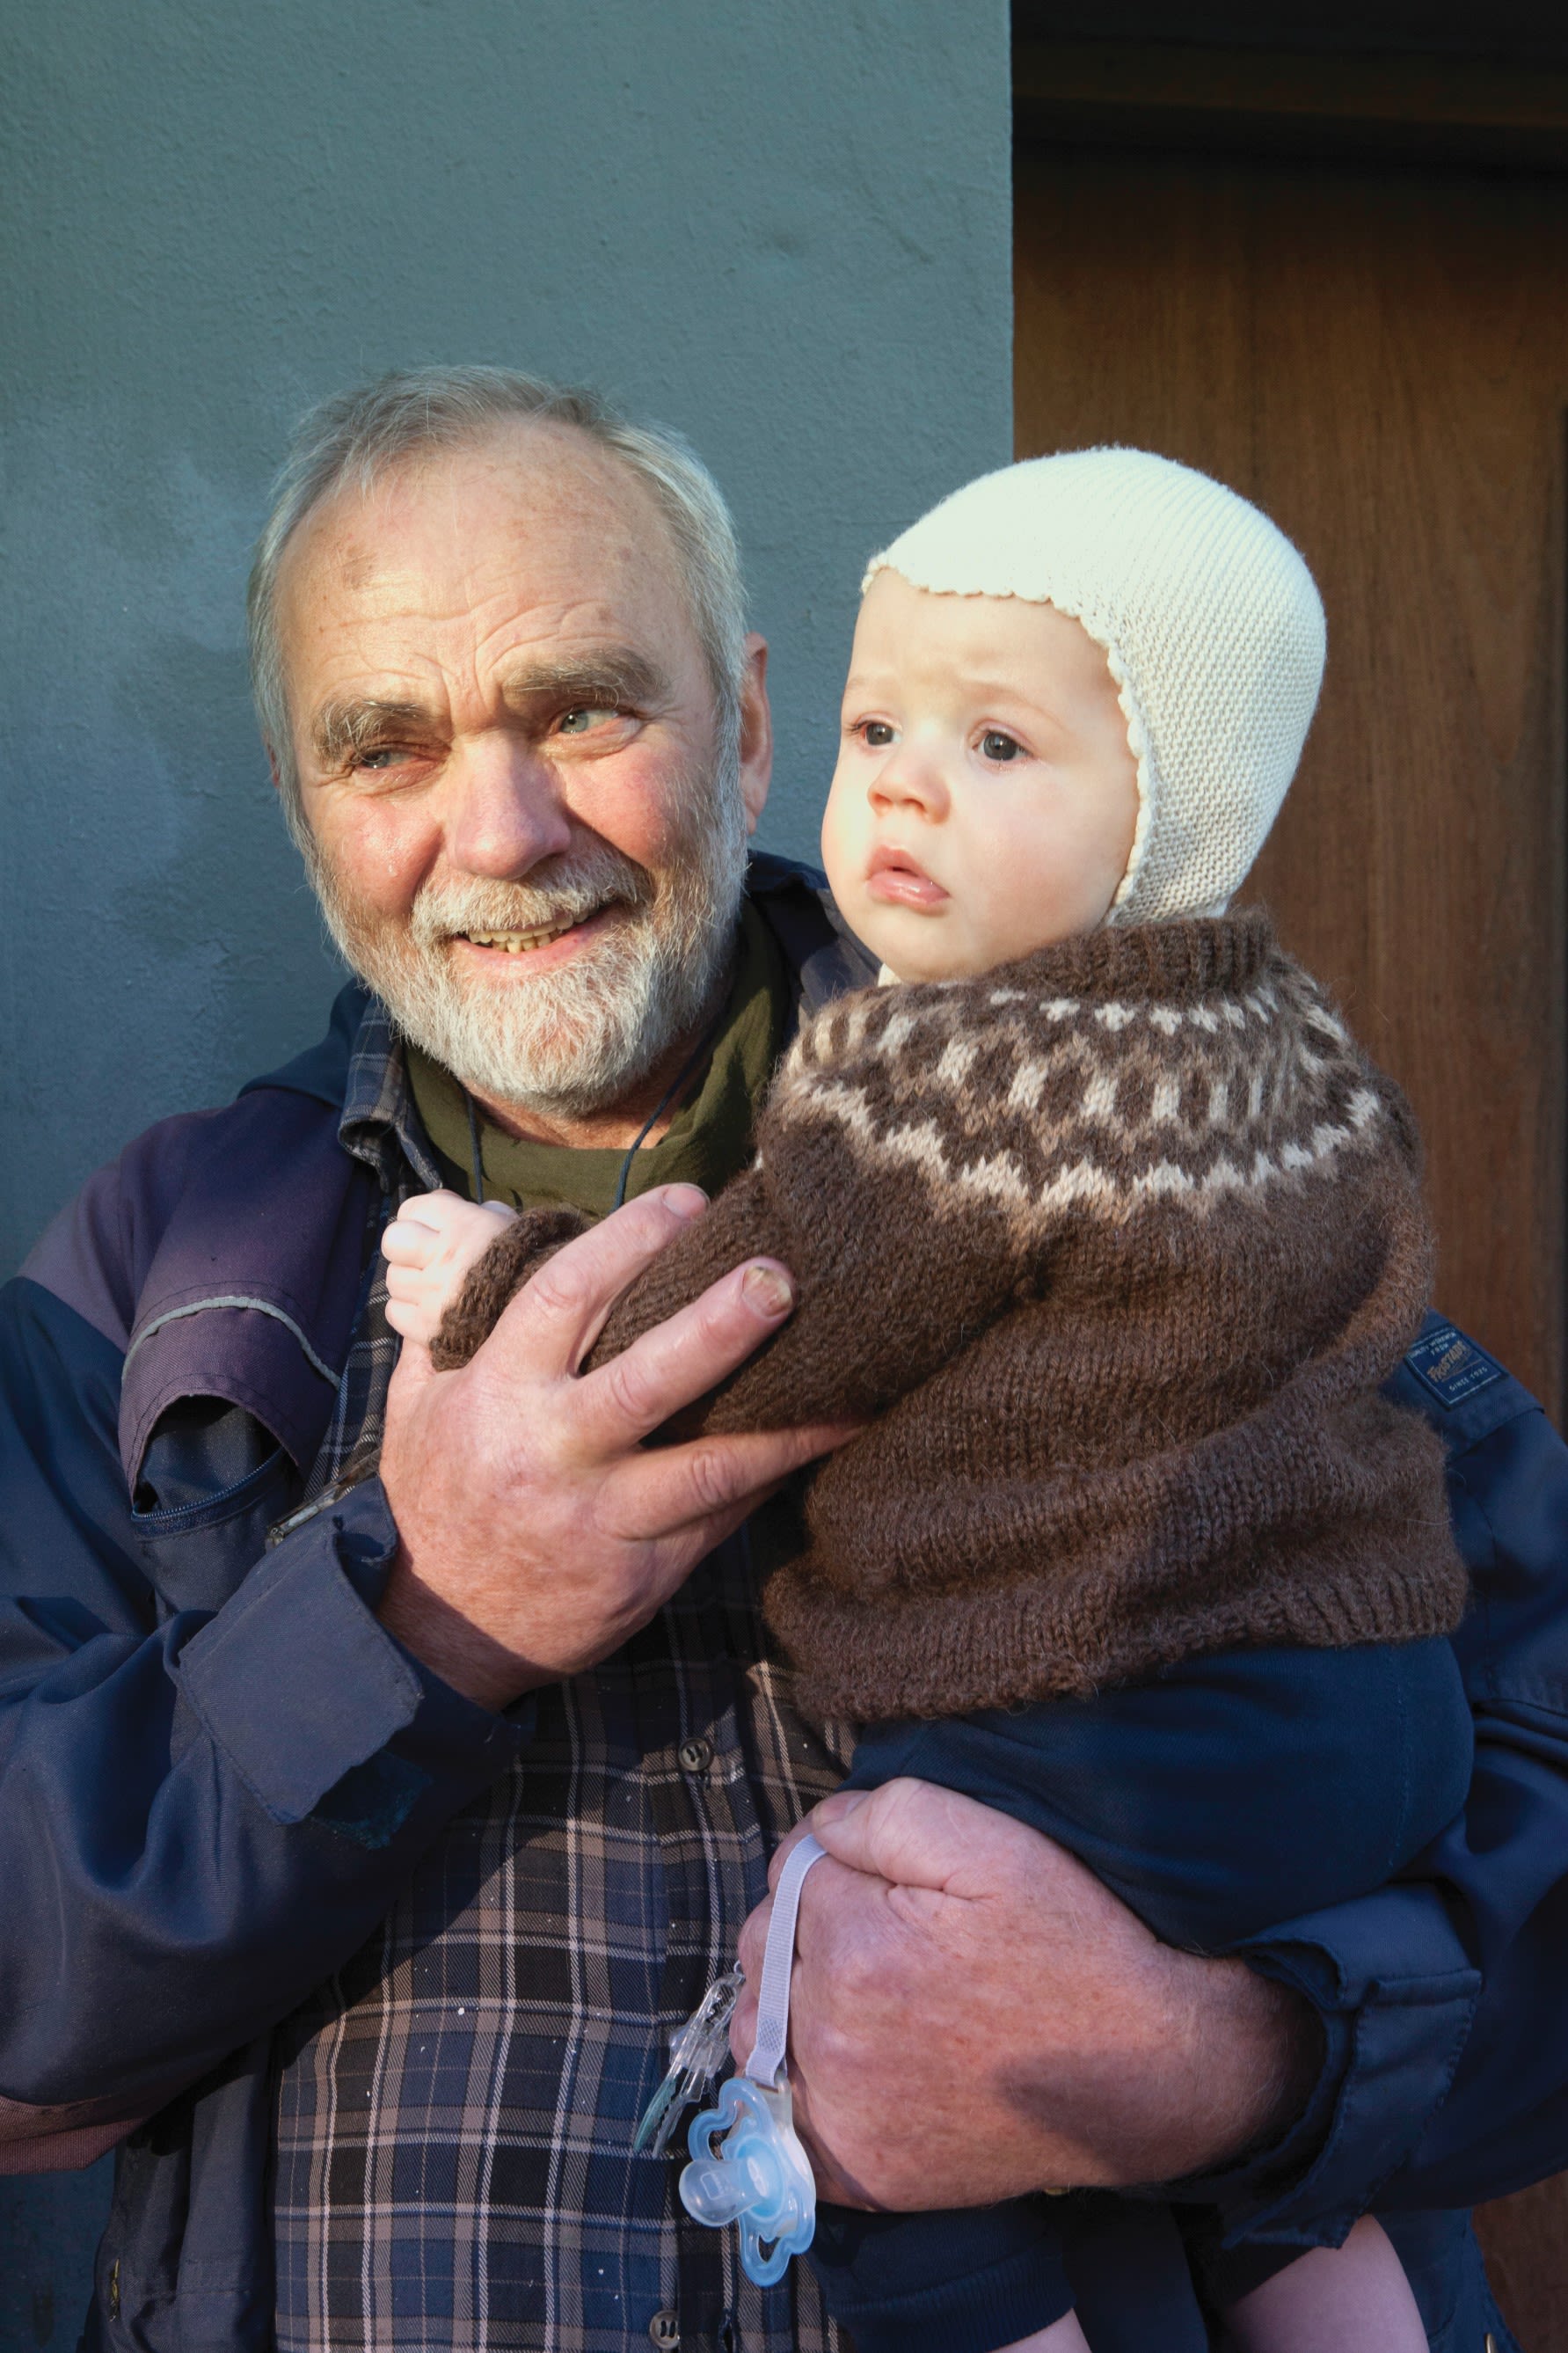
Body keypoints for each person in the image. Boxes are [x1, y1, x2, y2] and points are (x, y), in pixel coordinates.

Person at [0, 369, 1560, 2353]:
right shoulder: (162, 1281)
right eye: (384, 748)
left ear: (742, 723)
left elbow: (1523, 1782)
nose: (504, 828)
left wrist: (1216, 2055)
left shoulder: (1122, 1152)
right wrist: (422, 1612)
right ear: (308, 810)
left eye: (582, 710)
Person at [378, 449, 1470, 2353]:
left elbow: (747, 1323)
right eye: (883, 723)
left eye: (996, 746)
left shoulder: (953, 1083)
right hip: (1371, 1713)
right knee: (1291, 2187)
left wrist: (482, 1285)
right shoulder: (1292, 1047)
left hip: (1113, 1710)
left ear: (1169, 812)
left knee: (852, 2040)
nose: (897, 781)